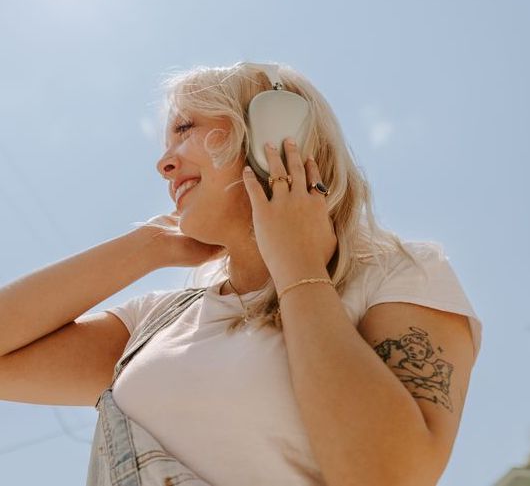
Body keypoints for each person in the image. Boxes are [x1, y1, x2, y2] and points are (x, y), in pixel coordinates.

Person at [0, 61, 482, 486]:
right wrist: (147, 246)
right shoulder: (159, 323)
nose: (164, 164)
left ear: (274, 130)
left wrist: (298, 269)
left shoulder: (398, 275)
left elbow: (387, 477)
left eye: (186, 129)